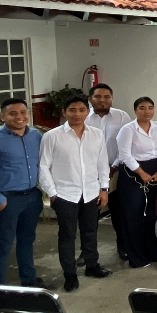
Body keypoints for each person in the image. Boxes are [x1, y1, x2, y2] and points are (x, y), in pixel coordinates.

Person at [39, 96, 112, 291]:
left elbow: (102, 163)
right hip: (65, 195)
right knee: (67, 236)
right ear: (64, 112)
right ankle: (70, 275)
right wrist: (53, 194)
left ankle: (91, 265)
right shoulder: (52, 136)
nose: (77, 114)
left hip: (91, 192)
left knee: (90, 231)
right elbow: (44, 166)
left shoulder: (96, 134)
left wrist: (104, 189)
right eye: (72, 110)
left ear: (87, 112)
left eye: (81, 110)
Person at [116, 96, 157, 269]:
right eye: (142, 108)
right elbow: (124, 155)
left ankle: (153, 252)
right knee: (133, 215)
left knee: (153, 214)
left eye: (150, 108)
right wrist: (142, 173)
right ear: (135, 110)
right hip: (133, 173)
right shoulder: (128, 129)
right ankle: (137, 257)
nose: (146, 111)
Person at [0, 98, 45, 287]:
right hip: (7, 200)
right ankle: (1, 291)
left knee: (27, 239)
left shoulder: (36, 135)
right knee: (3, 245)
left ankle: (29, 280)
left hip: (32, 197)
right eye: (13, 113)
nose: (19, 117)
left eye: (23, 112)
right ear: (2, 116)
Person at [86, 83, 131, 260]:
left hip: (116, 171)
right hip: (90, 174)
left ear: (112, 98)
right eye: (98, 97)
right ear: (90, 99)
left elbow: (128, 143)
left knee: (119, 213)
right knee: (89, 216)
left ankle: (123, 246)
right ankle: (87, 252)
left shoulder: (122, 117)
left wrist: (114, 166)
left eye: (107, 97)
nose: (103, 100)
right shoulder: (84, 118)